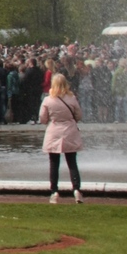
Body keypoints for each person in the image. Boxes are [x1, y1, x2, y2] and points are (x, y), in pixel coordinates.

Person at [40, 72, 84, 204]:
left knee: (54, 164)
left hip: (54, 131)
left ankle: (54, 191)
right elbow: (79, 115)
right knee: (72, 162)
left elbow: (43, 119)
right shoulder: (72, 98)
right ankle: (76, 189)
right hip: (69, 130)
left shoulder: (48, 100)